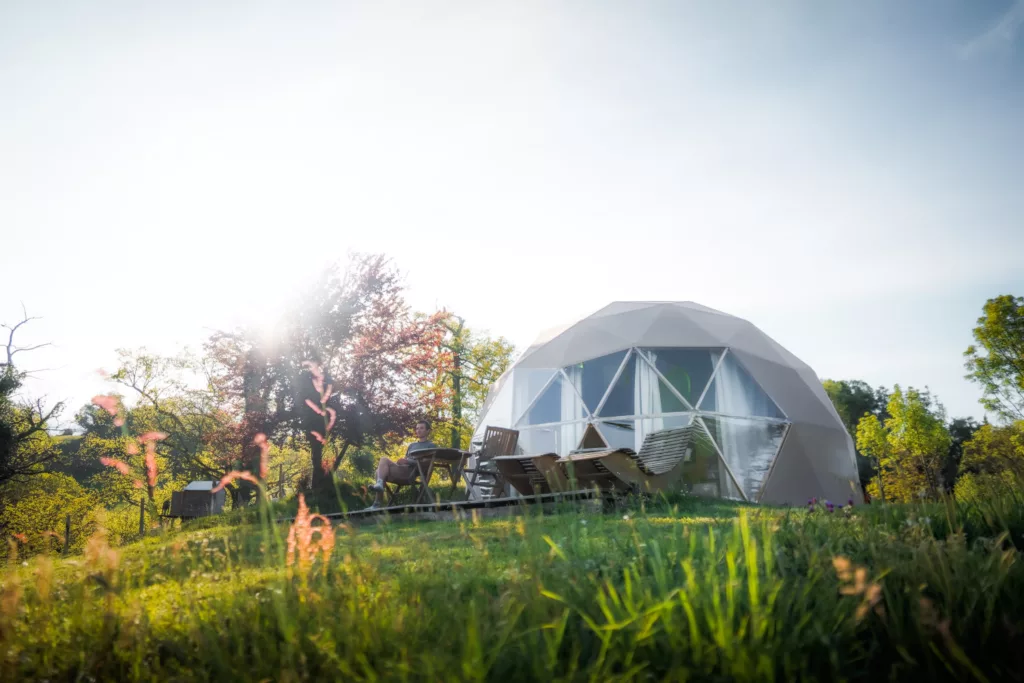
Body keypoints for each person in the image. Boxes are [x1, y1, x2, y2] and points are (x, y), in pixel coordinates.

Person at [365, 420, 437, 508]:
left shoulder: (431, 446)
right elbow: (406, 459)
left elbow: (427, 464)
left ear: (428, 431)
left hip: (410, 474)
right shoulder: (412, 445)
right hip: (402, 469)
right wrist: (402, 461)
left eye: (421, 428)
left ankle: (377, 502)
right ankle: (378, 491)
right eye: (417, 428)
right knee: (379, 471)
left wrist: (408, 461)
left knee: (383, 462)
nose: (418, 430)